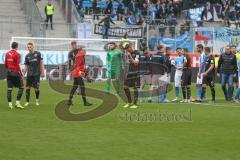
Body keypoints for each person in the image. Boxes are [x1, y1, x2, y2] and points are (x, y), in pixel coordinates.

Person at [23, 43, 45, 107]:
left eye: (30, 47)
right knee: (27, 87)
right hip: (29, 74)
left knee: (36, 88)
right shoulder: (27, 56)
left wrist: (42, 72)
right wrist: (23, 74)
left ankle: (37, 100)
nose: (29, 48)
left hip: (36, 74)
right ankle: (27, 102)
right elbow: (26, 65)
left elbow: (41, 63)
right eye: (28, 47)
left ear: (33, 47)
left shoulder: (38, 54)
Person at [4, 42, 24, 109]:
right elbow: (18, 65)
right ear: (17, 47)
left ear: (11, 46)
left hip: (9, 72)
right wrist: (21, 74)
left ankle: (10, 104)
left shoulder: (7, 54)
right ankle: (17, 103)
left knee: (9, 88)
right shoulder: (17, 54)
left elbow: (6, 65)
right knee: (21, 87)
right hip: (15, 73)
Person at [123, 43, 140, 109]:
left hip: (135, 72)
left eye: (128, 48)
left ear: (131, 47)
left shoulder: (137, 53)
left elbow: (136, 63)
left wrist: (130, 57)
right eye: (126, 49)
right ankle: (129, 102)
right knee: (125, 87)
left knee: (135, 88)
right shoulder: (128, 53)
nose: (127, 50)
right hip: (129, 72)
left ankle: (135, 104)